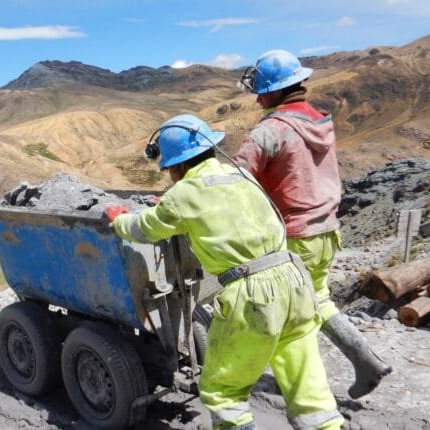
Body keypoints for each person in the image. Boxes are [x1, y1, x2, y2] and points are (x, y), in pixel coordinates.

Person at [106, 114, 343, 430]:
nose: (170, 176)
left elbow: (145, 228)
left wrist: (119, 219)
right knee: (307, 386)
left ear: (179, 166)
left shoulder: (183, 195)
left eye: (169, 169)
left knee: (222, 391)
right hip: (295, 281)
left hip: (252, 293)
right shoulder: (241, 175)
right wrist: (175, 204)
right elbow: (225, 208)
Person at [233, 49, 392, 398]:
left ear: (277, 91)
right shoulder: (320, 122)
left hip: (293, 237)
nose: (258, 99)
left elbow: (236, 179)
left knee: (285, 317)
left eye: (262, 92)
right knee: (317, 299)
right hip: (326, 231)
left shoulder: (270, 131)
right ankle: (365, 361)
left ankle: (300, 390)